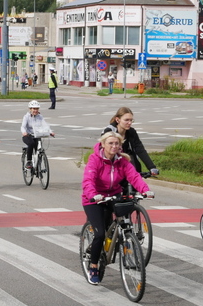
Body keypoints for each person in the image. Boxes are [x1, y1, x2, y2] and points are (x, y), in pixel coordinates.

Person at [81, 131, 153, 285]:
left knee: (121, 221)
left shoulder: (122, 161)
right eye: (111, 143)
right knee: (100, 234)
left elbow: (134, 176)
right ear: (103, 144)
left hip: (113, 196)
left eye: (117, 144)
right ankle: (94, 266)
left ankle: (122, 240)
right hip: (94, 199)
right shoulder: (95, 159)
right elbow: (88, 180)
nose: (114, 146)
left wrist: (145, 190)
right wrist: (93, 194)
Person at [102, 107, 159, 176]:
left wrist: (151, 167)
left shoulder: (131, 132)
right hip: (113, 165)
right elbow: (105, 152)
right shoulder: (109, 131)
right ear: (118, 120)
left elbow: (140, 149)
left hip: (127, 163)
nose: (129, 123)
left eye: (131, 120)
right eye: (126, 120)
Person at [20, 100, 55, 168]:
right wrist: (24, 132)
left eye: (37, 109)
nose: (35, 110)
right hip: (28, 135)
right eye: (34, 109)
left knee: (39, 149)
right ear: (30, 109)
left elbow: (45, 125)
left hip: (37, 135)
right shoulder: (26, 117)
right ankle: (29, 161)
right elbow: (23, 126)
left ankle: (38, 166)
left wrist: (50, 132)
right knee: (31, 144)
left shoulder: (40, 117)